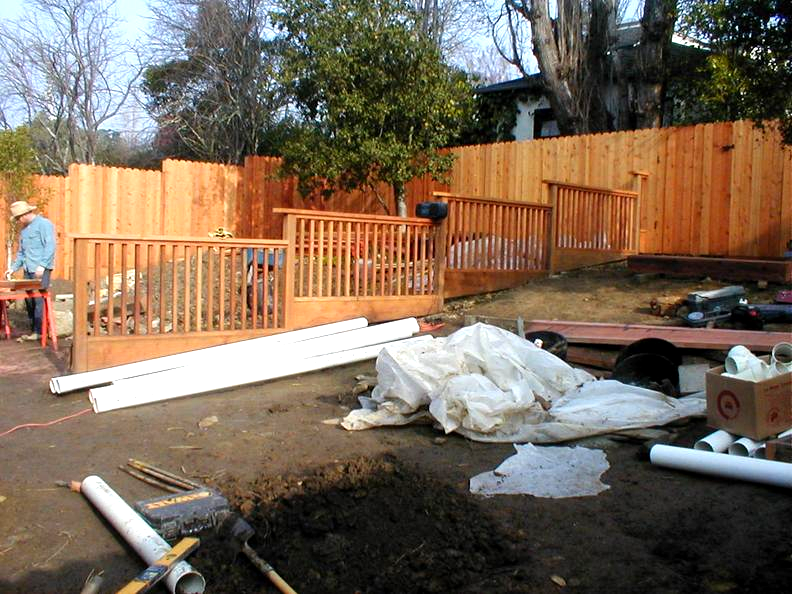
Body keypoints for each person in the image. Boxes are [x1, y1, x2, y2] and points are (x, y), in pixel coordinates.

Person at [4, 200, 56, 340]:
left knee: (40, 300)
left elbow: (50, 246)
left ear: (25, 214)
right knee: (30, 301)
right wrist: (13, 269)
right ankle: (34, 330)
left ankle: (40, 332)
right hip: (28, 269)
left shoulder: (44, 224)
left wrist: (43, 265)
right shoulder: (24, 230)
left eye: (19, 217)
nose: (18, 220)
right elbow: (21, 253)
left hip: (40, 269)